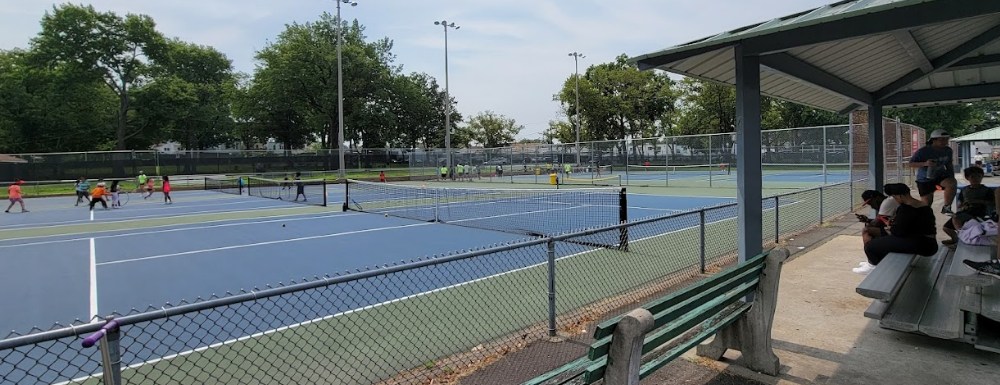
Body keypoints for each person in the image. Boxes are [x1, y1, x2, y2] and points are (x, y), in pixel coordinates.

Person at [854, 183, 938, 275]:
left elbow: (897, 232)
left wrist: (891, 226)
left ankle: (873, 267)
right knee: (881, 242)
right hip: (929, 243)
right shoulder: (924, 206)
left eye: (895, 197)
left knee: (871, 247)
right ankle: (873, 263)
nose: (895, 200)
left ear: (900, 196)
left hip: (921, 244)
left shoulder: (905, 209)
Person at [943, 167, 994, 246]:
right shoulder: (964, 190)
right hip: (965, 212)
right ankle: (955, 239)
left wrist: (976, 201)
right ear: (967, 178)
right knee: (946, 228)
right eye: (973, 176)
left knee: (957, 218)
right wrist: (962, 207)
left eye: (978, 176)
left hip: (979, 214)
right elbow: (960, 204)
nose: (976, 179)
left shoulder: (987, 190)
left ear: (982, 177)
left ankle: (962, 239)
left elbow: (992, 204)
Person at [910, 129, 957, 213]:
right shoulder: (923, 151)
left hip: (940, 176)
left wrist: (951, 177)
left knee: (951, 183)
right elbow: (911, 164)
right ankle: (921, 218)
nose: (945, 142)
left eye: (946, 139)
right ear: (934, 140)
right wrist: (925, 163)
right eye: (942, 140)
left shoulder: (948, 150)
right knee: (927, 204)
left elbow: (949, 164)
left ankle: (947, 207)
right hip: (925, 179)